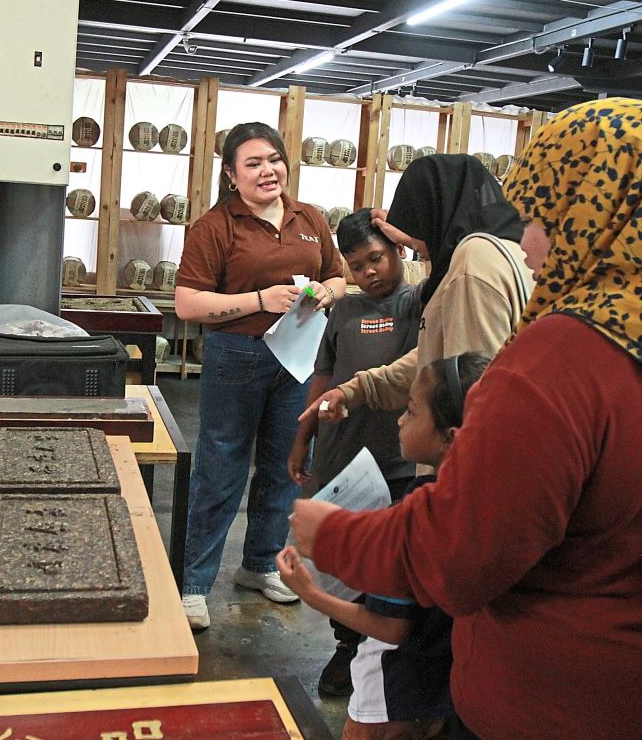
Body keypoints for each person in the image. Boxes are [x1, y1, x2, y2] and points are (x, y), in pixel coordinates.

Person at [287, 98, 642, 739]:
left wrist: (338, 536)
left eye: (543, 216)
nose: (531, 246)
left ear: (606, 212)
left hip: (573, 702)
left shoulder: (567, 357)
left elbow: (464, 556)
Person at [174, 121, 346, 631]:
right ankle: (195, 582)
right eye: (253, 163)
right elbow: (187, 303)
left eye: (273, 159)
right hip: (237, 355)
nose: (267, 170)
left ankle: (261, 563)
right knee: (221, 466)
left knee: (285, 464)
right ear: (231, 175)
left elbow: (337, 274)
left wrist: (327, 294)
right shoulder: (215, 227)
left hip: (298, 357)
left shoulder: (309, 217)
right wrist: (258, 300)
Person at [279, 353, 490, 740]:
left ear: (451, 438)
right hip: (442, 692)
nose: (400, 420)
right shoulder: (483, 508)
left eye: (411, 412)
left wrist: (309, 592)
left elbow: (392, 628)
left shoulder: (418, 514)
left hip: (390, 692)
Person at [287, 208, 423, 698]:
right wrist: (302, 438)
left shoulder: (419, 303)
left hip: (398, 458)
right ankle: (346, 645)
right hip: (341, 454)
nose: (370, 273)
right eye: (357, 265)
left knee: (389, 560)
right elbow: (322, 376)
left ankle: (388, 647)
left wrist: (411, 233)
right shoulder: (343, 311)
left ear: (398, 252)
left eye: (378, 258)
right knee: (343, 559)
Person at [308, 154, 532, 438]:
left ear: (435, 214)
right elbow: (437, 355)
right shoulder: (501, 249)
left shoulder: (472, 264)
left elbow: (468, 379)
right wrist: (360, 389)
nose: (415, 242)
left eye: (417, 226)